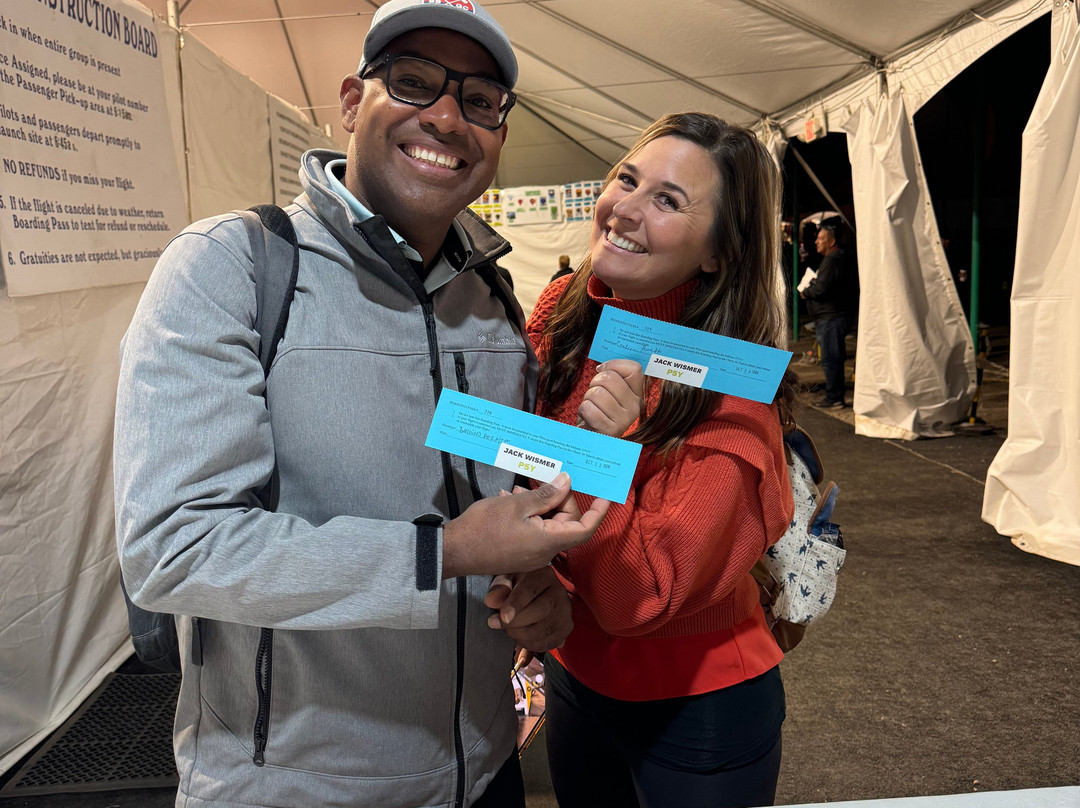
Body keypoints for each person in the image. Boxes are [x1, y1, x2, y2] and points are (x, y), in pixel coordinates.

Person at [112, 2, 610, 806]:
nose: (446, 117)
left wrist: (535, 593)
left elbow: (498, 504)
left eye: (480, 100)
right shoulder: (231, 267)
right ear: (351, 102)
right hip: (299, 788)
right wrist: (442, 553)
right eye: (413, 82)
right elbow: (175, 545)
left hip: (485, 769)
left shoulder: (492, 300)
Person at [522, 112, 797, 807]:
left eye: (668, 200)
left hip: (697, 707)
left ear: (718, 252)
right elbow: (513, 461)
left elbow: (635, 596)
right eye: (627, 179)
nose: (625, 209)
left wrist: (602, 452)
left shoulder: (736, 395)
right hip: (573, 671)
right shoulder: (562, 312)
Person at [800, 215, 859, 408]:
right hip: (834, 315)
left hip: (831, 317)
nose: (816, 241)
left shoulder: (832, 260)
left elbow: (820, 288)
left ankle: (834, 397)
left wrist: (806, 292)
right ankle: (834, 395)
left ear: (831, 242)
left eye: (821, 238)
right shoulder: (838, 258)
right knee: (833, 357)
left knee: (831, 358)